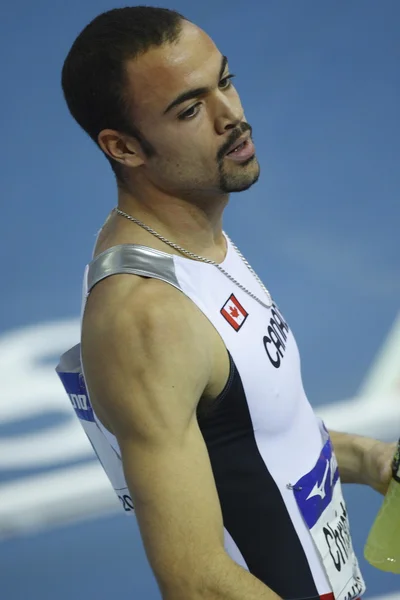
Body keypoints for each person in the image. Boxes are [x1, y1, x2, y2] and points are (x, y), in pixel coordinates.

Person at [58, 6, 396, 600]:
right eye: (190, 109)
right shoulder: (148, 319)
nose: (231, 116)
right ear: (124, 146)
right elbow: (195, 582)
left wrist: (370, 460)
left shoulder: (196, 233)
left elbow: (253, 442)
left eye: (226, 81)